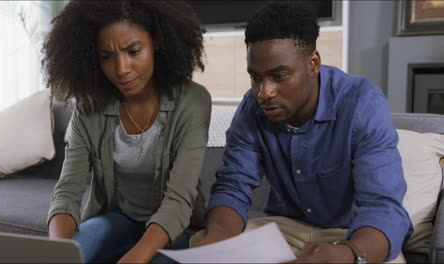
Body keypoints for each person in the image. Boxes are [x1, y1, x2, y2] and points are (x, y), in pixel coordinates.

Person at [195, 2, 413, 263]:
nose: (264, 93)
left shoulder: (362, 104)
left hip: (351, 234)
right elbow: (233, 187)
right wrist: (217, 243)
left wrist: (347, 254)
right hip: (285, 229)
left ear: (313, 63)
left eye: (279, 76)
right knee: (202, 242)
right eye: (256, 78)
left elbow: (382, 207)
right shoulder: (251, 109)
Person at [42, 1, 211, 263]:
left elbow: (178, 200)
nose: (121, 69)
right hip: (118, 219)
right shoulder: (89, 108)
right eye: (106, 57)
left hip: (176, 227)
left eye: (133, 51)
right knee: (72, 252)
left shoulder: (193, 101)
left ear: (156, 41)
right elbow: (68, 191)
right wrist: (57, 253)